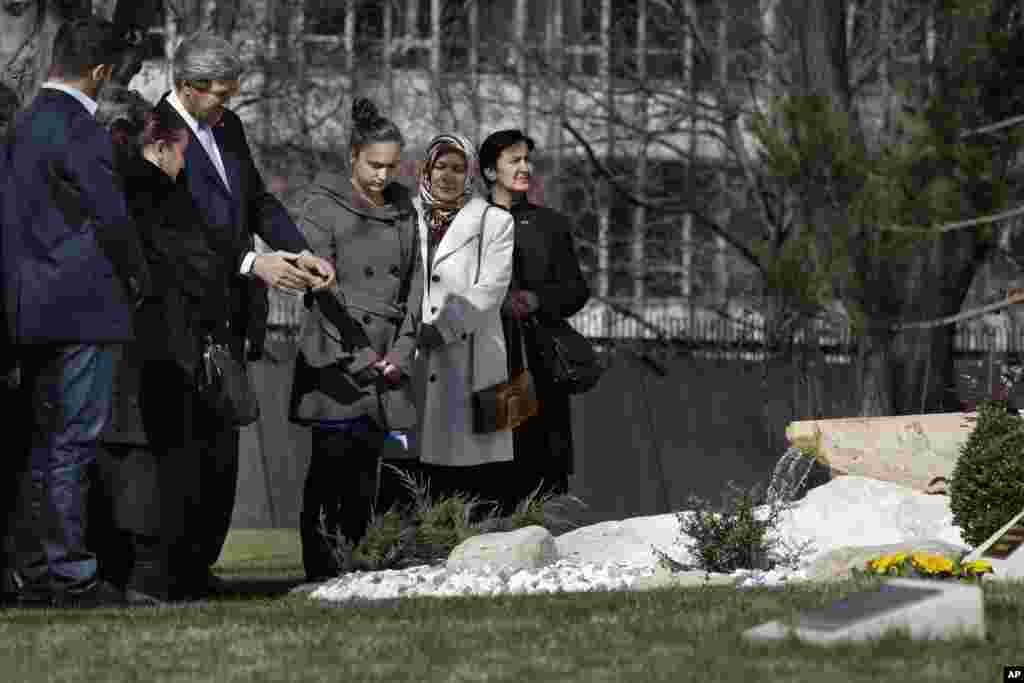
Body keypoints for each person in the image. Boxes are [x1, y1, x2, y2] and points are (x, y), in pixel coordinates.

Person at [151, 32, 336, 595]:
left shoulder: (228, 128)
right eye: (220, 93)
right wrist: (253, 262)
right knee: (184, 446)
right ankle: (172, 568)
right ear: (187, 85)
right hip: (181, 315)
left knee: (222, 445)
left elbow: (257, 201)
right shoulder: (156, 133)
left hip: (231, 315)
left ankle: (203, 562)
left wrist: (298, 250)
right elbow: (173, 232)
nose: (227, 103)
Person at [1, 17, 152, 607]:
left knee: (40, 444)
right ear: (100, 70)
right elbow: (111, 215)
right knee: (73, 443)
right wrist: (137, 277)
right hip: (84, 306)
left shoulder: (22, 124)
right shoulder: (81, 129)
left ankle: (35, 569)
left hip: (28, 306)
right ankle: (72, 573)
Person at [289, 97, 422, 581]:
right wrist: (363, 356)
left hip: (389, 358)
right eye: (373, 165)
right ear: (353, 157)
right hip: (338, 358)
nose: (383, 175)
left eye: (392, 165)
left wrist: (401, 353)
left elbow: (416, 285)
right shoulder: (322, 207)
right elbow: (319, 291)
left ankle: (359, 568)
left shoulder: (405, 210)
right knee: (331, 473)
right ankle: (322, 573)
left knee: (369, 472)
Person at [478, 130, 590, 511]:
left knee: (546, 479)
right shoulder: (469, 225)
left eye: (528, 160)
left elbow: (577, 290)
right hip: (492, 366)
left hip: (544, 368)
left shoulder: (550, 224)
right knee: (497, 474)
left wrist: (539, 299)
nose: (525, 167)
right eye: (515, 160)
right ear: (490, 171)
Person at [412, 133, 516, 503]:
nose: (447, 176)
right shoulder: (404, 216)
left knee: (471, 472)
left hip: (471, 357)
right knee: (408, 461)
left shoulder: (495, 221)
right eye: (440, 166)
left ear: (471, 173)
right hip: (411, 352)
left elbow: (490, 290)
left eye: (458, 168)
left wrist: (442, 328)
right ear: (427, 169)